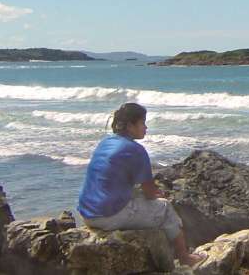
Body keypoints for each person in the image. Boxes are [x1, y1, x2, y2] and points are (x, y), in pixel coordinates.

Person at [78, 102, 206, 267]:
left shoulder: (106, 143)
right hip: (107, 217)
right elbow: (150, 193)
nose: (146, 128)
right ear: (131, 126)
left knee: (138, 196)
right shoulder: (135, 150)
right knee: (165, 208)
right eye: (143, 123)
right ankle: (184, 257)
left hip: (87, 213)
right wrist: (160, 195)